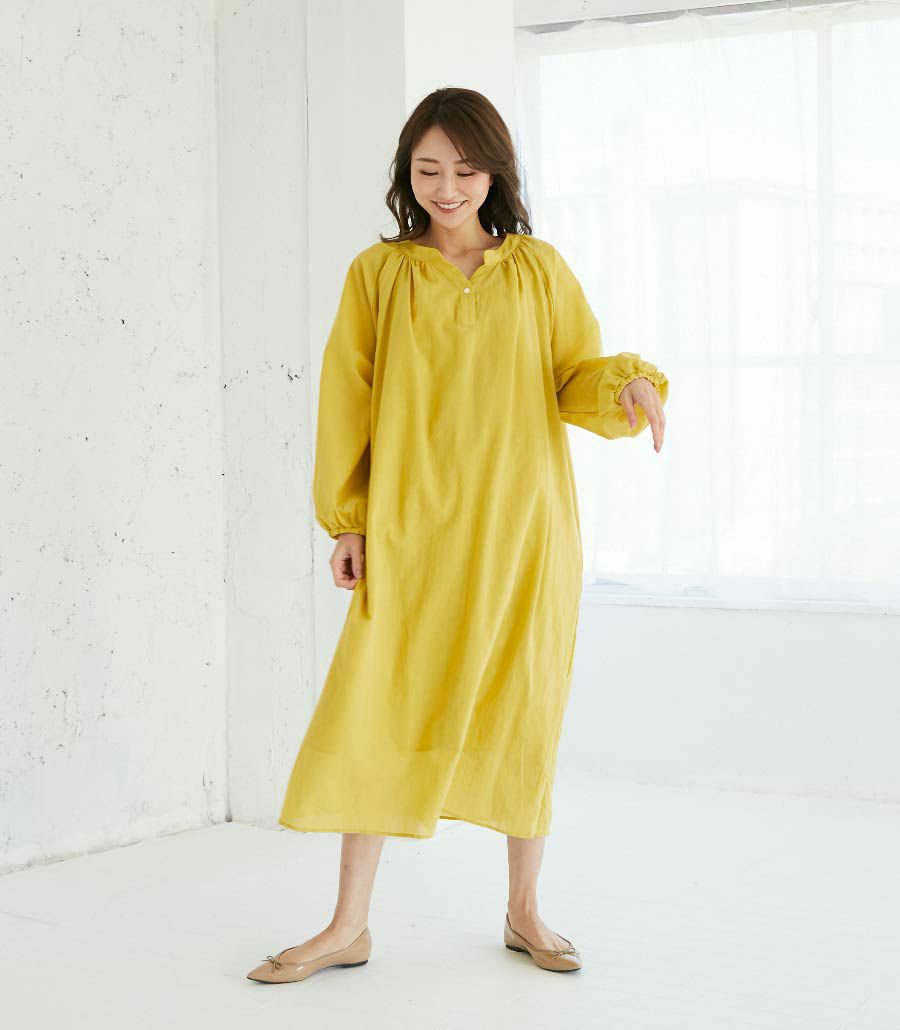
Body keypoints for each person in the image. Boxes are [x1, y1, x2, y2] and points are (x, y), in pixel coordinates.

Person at [247, 87, 668, 985]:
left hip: (524, 530)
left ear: (495, 174)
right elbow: (347, 398)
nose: (446, 187)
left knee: (524, 706)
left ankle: (524, 911)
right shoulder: (380, 275)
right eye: (428, 168)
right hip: (414, 527)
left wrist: (626, 385)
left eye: (466, 170)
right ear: (407, 171)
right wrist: (348, 518)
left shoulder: (538, 270)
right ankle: (348, 925)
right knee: (379, 709)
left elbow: (575, 373)